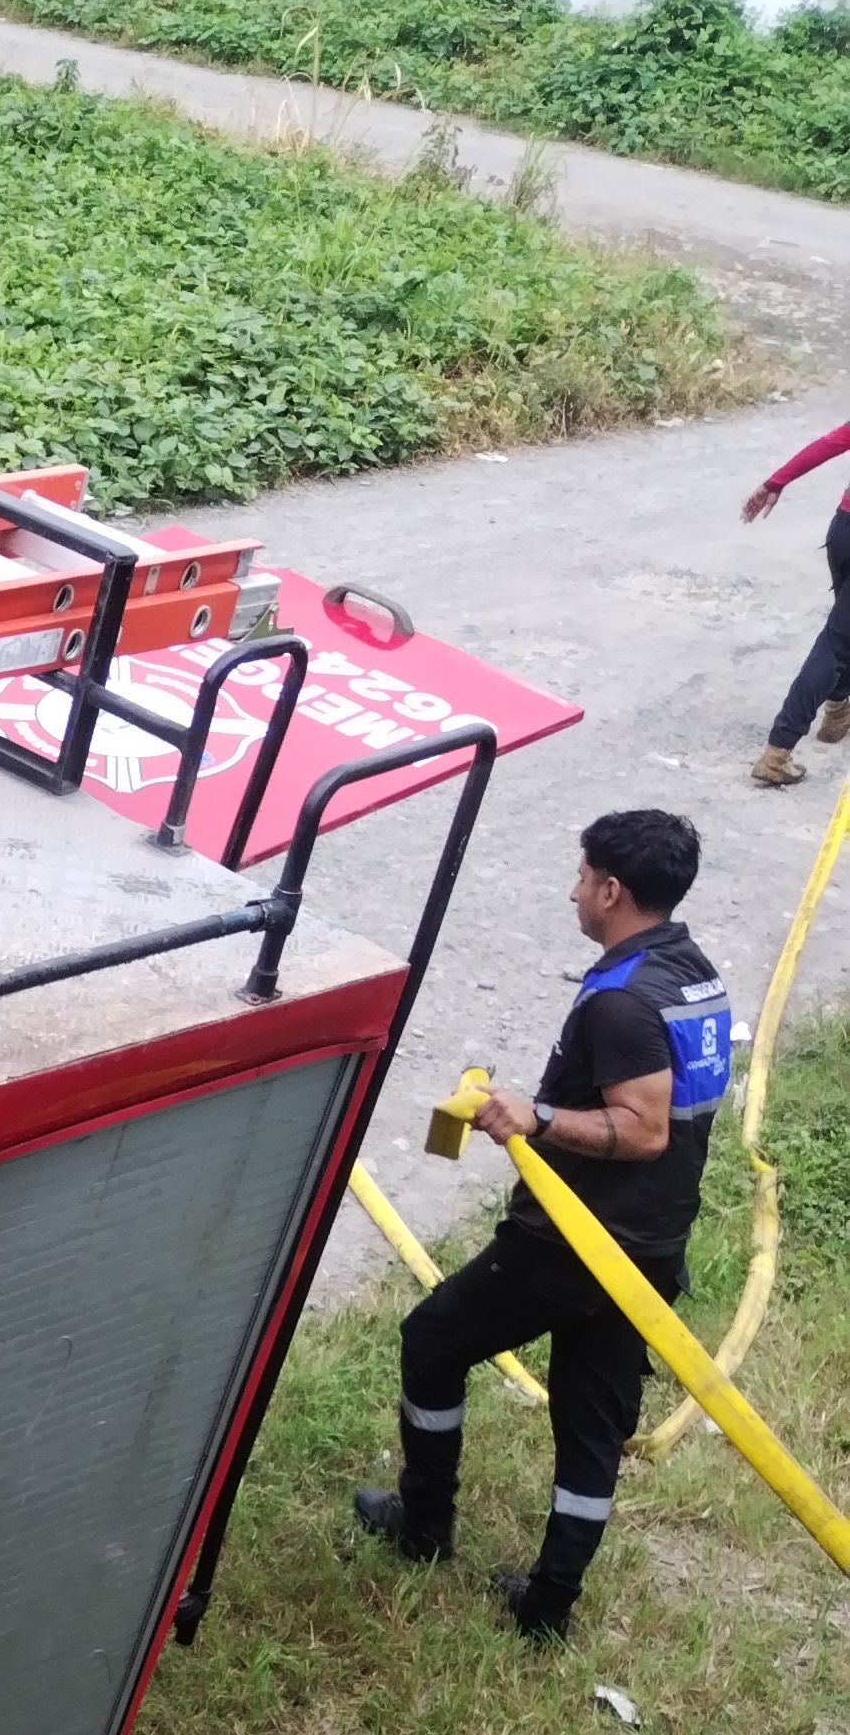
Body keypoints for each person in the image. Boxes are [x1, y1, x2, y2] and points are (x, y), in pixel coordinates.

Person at [352, 805, 725, 1643]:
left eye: (583, 877)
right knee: (591, 1428)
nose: (573, 892)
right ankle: (548, 1606)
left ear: (613, 889)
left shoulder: (622, 1002)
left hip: (572, 1243)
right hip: (650, 1247)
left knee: (432, 1341)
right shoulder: (693, 975)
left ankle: (423, 1525)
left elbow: (644, 1130)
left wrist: (538, 1116)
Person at [741, 426, 850, 786]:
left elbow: (829, 443)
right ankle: (778, 751)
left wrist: (775, 482)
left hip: (844, 530)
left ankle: (838, 711)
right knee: (835, 644)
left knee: (843, 630)